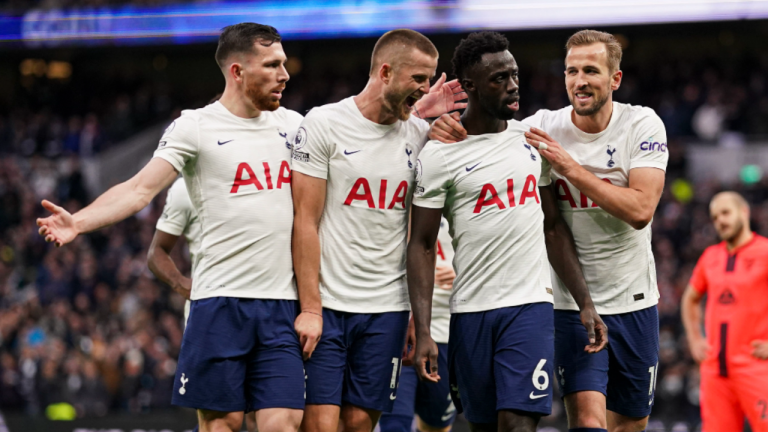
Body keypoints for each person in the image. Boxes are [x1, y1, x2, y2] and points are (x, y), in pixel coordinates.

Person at [37, 23, 308, 432]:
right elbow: (139, 189)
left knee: (283, 424)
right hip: (218, 304)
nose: (285, 74)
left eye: (284, 64)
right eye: (272, 65)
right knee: (222, 426)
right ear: (236, 71)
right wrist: (80, 221)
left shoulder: (295, 126)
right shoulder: (195, 127)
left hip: (282, 307)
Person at [430, 29, 667, 432]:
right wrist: (431, 124)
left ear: (615, 79)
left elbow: (641, 209)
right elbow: (482, 130)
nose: (579, 81)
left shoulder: (642, 124)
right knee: (588, 418)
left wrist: (572, 169)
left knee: (632, 422)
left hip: (634, 297)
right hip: (568, 303)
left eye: (591, 70)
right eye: (571, 71)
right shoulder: (540, 129)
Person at [408, 31, 607, 432]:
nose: (513, 85)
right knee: (483, 425)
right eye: (498, 78)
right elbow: (422, 244)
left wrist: (585, 300)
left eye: (514, 74)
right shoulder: (440, 153)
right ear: (469, 86)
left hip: (529, 307)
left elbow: (553, 227)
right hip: (469, 313)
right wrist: (426, 330)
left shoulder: (532, 144)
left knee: (518, 423)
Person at [291, 29, 467, 432]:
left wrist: (410, 313)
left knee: (360, 424)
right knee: (319, 424)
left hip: (387, 309)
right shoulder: (325, 124)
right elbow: (305, 221)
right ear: (385, 71)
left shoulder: (421, 136)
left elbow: (413, 232)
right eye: (418, 79)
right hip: (331, 305)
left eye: (429, 80)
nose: (425, 89)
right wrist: (311, 308)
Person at [681, 192, 768, 432]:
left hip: (756, 366)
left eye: (725, 213)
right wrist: (695, 339)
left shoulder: (765, 252)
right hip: (715, 373)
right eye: (715, 216)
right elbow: (690, 299)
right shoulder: (710, 257)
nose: (720, 220)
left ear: (744, 212)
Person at [379, 217, 457, 432]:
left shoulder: (467, 193)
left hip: (447, 329)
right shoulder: (403, 196)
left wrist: (462, 275)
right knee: (395, 423)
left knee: (436, 424)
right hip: (399, 327)